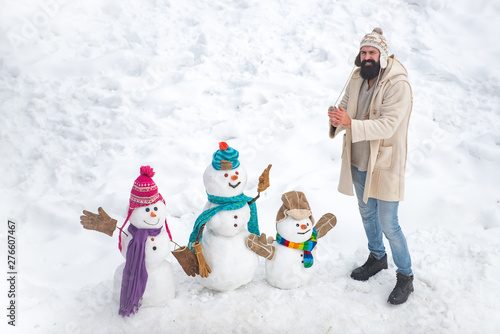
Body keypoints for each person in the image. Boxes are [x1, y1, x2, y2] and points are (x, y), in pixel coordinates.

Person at [327, 28, 414, 305]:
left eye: (372, 53)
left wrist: (351, 123)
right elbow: (344, 107)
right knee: (367, 214)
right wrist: (336, 118)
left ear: (383, 56)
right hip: (358, 158)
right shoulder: (356, 78)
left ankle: (406, 276)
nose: (366, 57)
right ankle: (377, 257)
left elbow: (389, 124)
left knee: (389, 223)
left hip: (385, 162)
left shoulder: (397, 84)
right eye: (363, 52)